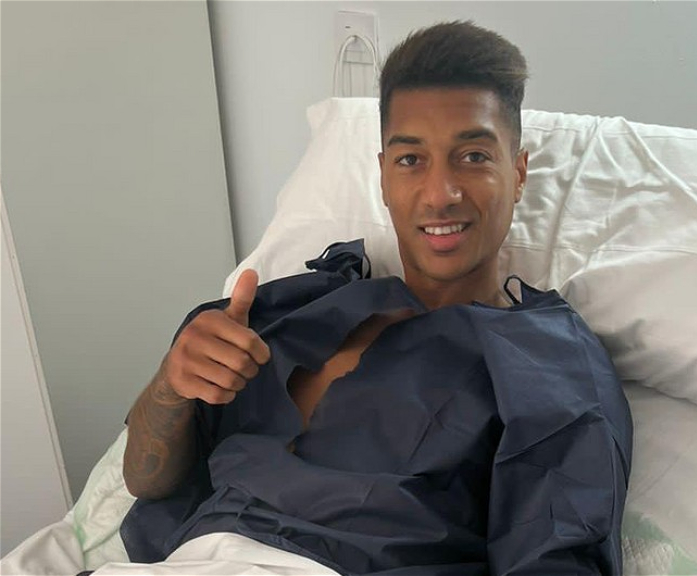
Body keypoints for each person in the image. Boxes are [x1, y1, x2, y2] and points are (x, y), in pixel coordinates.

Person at [120, 21, 632, 575]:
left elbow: (560, 554)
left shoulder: (550, 364)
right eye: (411, 160)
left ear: (519, 172)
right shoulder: (284, 311)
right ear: (384, 176)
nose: (440, 194)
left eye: (473, 157)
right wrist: (172, 385)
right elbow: (144, 481)